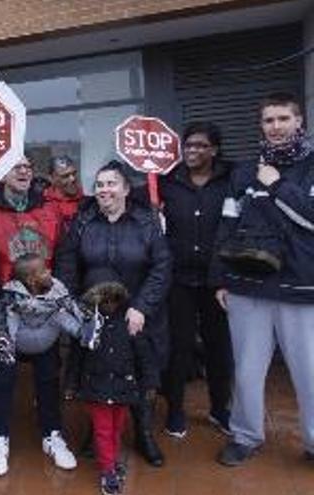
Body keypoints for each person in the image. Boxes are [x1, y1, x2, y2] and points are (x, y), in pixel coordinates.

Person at [212, 93, 314, 466]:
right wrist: (220, 279)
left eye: (283, 119)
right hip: (246, 286)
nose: (276, 127)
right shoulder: (242, 172)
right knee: (247, 370)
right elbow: (227, 224)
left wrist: (276, 185)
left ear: (299, 121)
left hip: (301, 288)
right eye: (269, 120)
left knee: (309, 374)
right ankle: (245, 435)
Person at [54, 161, 172, 468]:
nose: (104, 189)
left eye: (111, 183)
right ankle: (96, 433)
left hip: (137, 315)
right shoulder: (83, 221)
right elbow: (67, 264)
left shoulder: (147, 222)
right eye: (100, 184)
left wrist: (142, 307)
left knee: (141, 377)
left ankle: (144, 434)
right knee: (97, 374)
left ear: (126, 188)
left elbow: (162, 267)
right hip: (96, 315)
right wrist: (76, 306)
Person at [0, 158, 76, 476]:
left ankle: (52, 435)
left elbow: (66, 255)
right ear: (0, 172)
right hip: (7, 309)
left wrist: (56, 294)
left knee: (48, 376)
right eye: (15, 166)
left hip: (45, 308)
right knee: (3, 377)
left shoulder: (50, 209)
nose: (23, 171)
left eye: (28, 166)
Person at [158, 123, 234, 439]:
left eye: (200, 146)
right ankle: (175, 411)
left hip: (218, 282)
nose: (191, 151)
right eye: (187, 145)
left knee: (220, 349)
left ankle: (220, 409)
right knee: (179, 348)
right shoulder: (167, 181)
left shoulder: (231, 180)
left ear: (214, 150)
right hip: (178, 280)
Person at [65, 276, 158, 495]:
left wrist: (150, 382)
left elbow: (144, 356)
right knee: (103, 430)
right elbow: (76, 358)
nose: (108, 305)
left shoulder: (131, 325)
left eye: (113, 300)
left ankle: (112, 463)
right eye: (103, 301)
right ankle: (108, 471)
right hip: (96, 389)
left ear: (120, 301)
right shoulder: (88, 325)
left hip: (124, 388)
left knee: (117, 428)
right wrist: (71, 384)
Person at [43, 155, 84, 224]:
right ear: (52, 178)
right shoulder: (42, 204)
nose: (72, 179)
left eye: (74, 173)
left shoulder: (88, 203)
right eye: (65, 176)